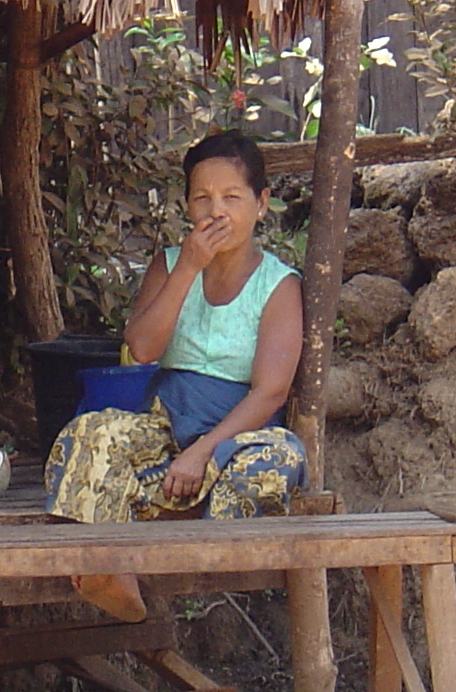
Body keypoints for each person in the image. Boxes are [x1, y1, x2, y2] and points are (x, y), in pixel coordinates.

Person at [45, 130, 307, 527]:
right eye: (202, 198)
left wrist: (202, 450)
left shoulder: (278, 285)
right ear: (188, 206)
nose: (216, 211)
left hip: (237, 438)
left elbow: (271, 391)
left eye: (232, 198)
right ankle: (107, 572)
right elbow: (143, 349)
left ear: (262, 204)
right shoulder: (170, 265)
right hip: (165, 425)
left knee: (278, 458)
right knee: (91, 431)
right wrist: (188, 268)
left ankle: (215, 568)